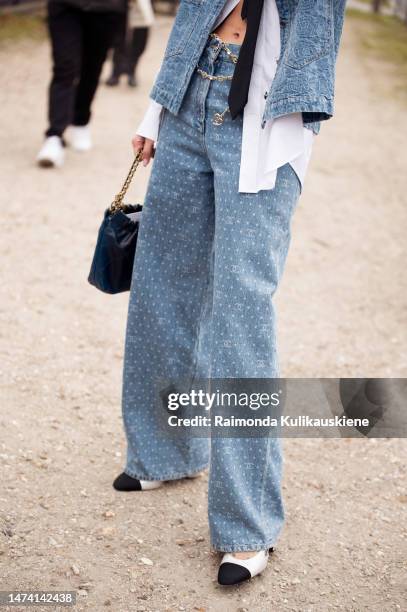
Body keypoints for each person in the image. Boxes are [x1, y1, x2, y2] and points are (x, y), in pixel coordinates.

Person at [115, 0, 346, 586]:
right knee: (160, 289)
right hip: (191, 93)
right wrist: (155, 110)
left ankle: (247, 525)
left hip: (267, 113)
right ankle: (165, 452)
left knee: (241, 320)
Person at [37, 0, 126, 168]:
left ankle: (80, 120)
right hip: (65, 6)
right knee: (65, 67)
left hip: (106, 9)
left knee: (92, 67)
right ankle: (54, 135)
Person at [106, 0, 155, 88]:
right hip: (119, 6)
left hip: (141, 8)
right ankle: (116, 72)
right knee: (118, 40)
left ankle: (131, 71)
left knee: (139, 42)